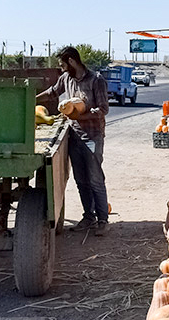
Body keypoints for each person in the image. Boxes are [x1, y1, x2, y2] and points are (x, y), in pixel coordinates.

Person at [37, 46, 110, 235]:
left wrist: (81, 115)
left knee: (95, 179)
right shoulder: (66, 79)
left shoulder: (96, 80)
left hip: (92, 137)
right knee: (81, 180)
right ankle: (88, 217)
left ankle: (103, 220)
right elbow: (53, 92)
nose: (61, 69)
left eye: (62, 64)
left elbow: (103, 109)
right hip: (74, 136)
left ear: (71, 61)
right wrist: (32, 98)